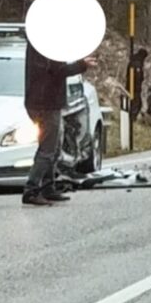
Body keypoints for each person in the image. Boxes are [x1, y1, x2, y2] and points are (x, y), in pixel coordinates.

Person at [23, 40, 97, 206]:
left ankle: (48, 187)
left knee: (54, 147)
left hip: (40, 101)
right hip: (46, 104)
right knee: (48, 149)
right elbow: (58, 70)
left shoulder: (37, 42)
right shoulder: (47, 45)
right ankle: (32, 189)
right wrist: (81, 65)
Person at [127, 47, 148, 121]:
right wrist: (138, 86)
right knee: (136, 104)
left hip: (131, 86)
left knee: (135, 103)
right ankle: (132, 119)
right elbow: (137, 77)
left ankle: (131, 118)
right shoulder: (137, 64)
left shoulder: (133, 61)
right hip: (134, 87)